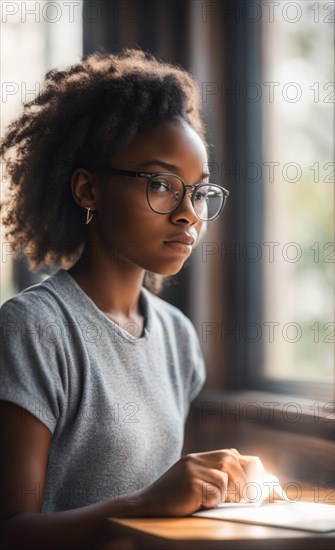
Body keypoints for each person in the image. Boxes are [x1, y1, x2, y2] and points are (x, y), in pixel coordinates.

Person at [0, 48, 265, 549]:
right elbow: (10, 530)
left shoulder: (178, 338)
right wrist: (142, 504)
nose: (188, 213)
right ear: (87, 190)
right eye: (162, 185)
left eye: (199, 191)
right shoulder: (33, 329)